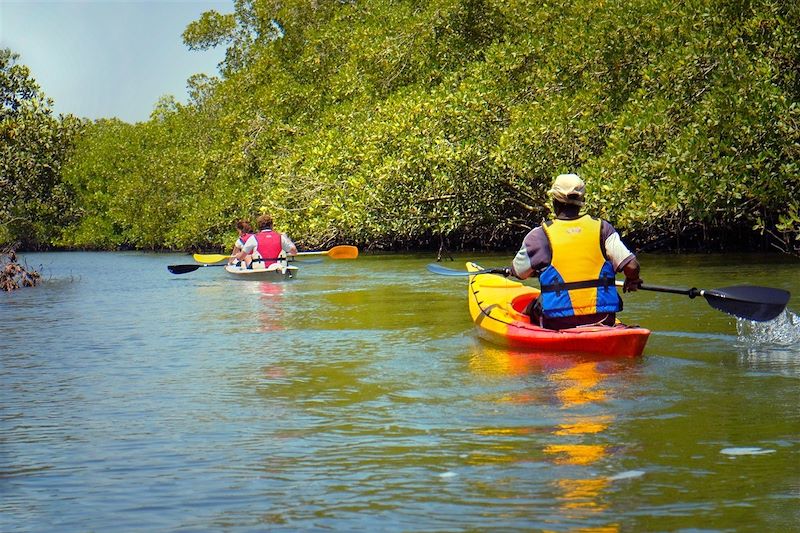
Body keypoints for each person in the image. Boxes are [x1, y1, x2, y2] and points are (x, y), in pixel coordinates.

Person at [509, 173, 643, 330]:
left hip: (558, 321)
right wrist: (632, 279)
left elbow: (519, 272)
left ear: (554, 201)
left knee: (531, 307)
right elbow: (632, 266)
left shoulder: (539, 236)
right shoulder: (603, 229)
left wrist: (525, 271)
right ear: (582, 201)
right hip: (603, 317)